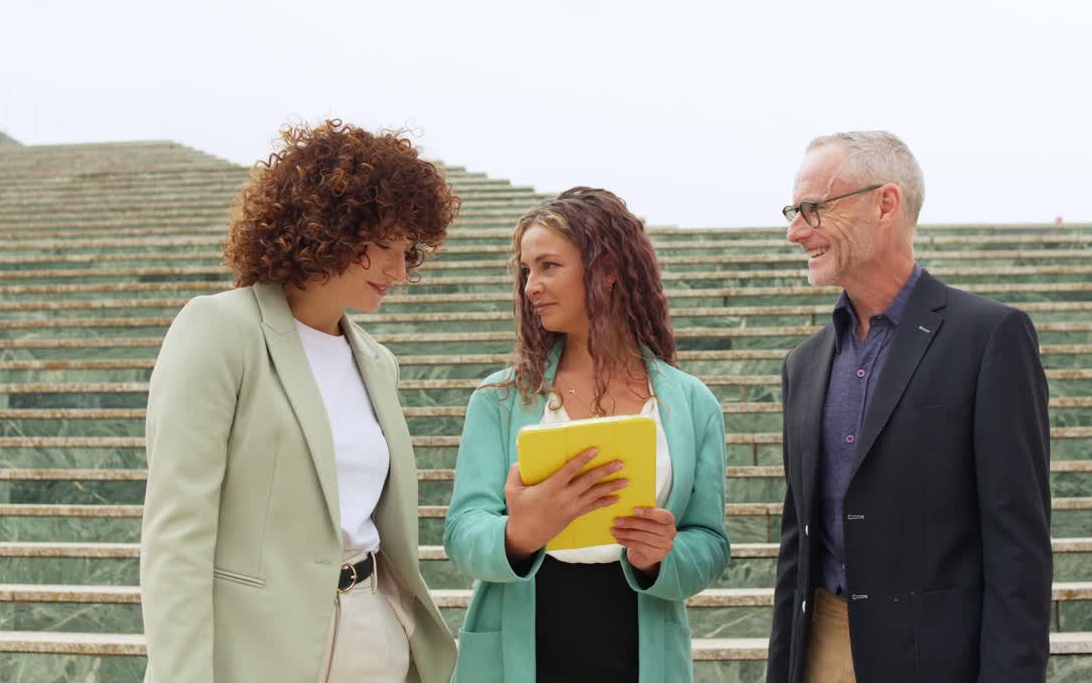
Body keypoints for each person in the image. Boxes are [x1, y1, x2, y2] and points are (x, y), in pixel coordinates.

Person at [140, 120, 460, 683]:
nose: (401, 271)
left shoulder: (378, 364)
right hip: (260, 645)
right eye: (386, 246)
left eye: (410, 252)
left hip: (374, 635)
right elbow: (177, 534)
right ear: (329, 229)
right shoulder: (218, 331)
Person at [767, 131, 1052, 683]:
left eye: (812, 209)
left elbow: (1018, 547)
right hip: (820, 651)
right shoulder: (803, 365)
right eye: (792, 212)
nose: (795, 231)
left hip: (939, 661)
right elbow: (795, 550)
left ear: (885, 203)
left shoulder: (989, 337)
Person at [443, 187, 730, 683]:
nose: (531, 286)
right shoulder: (499, 398)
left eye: (549, 266)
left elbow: (709, 542)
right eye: (526, 270)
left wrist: (661, 556)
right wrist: (519, 533)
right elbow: (461, 532)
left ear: (609, 268)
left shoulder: (691, 403)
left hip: (638, 640)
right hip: (524, 637)